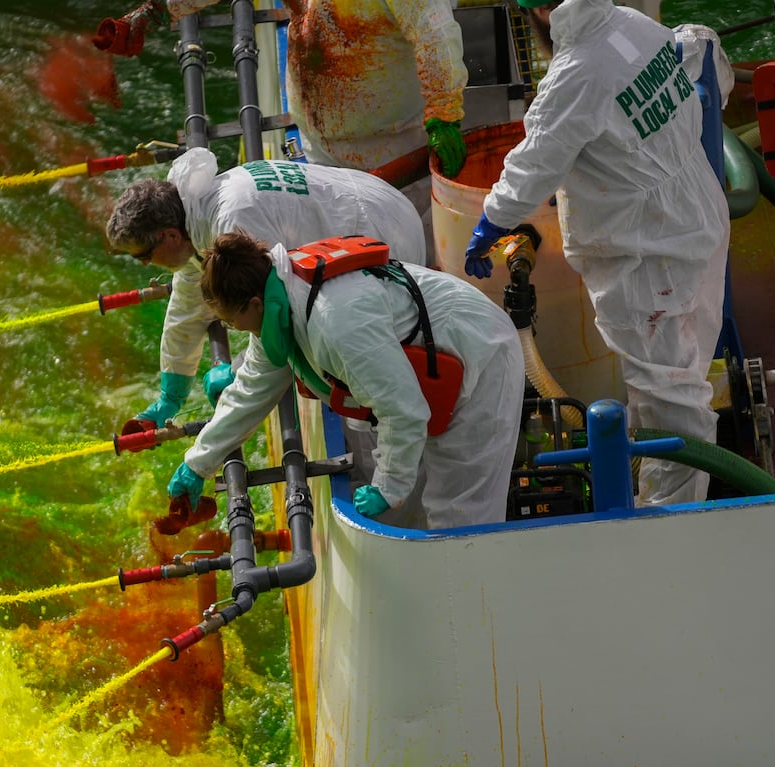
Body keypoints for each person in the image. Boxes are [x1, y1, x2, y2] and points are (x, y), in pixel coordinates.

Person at [463, 0, 730, 505]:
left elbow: (533, 162)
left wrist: (490, 221)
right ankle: (654, 468)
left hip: (648, 254)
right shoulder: (631, 25)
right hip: (695, 213)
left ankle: (671, 522)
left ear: (536, 11)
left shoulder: (574, 73)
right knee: (681, 371)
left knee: (673, 396)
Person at [168, 231, 524, 530]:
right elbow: (251, 391)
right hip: (432, 369)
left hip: (481, 357)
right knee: (420, 503)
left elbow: (404, 411)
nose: (234, 329)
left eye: (231, 321)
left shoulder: (335, 323)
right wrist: (198, 462)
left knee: (461, 516)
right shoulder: (281, 298)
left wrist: (388, 487)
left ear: (255, 304)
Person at [108, 148, 426, 427]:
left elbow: (277, 318)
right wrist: (171, 393)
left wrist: (237, 371)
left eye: (143, 256)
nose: (146, 266)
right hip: (375, 203)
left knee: (353, 376)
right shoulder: (198, 209)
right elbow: (188, 303)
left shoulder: (231, 223)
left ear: (169, 236)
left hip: (385, 238)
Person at [160, 0, 468, 217]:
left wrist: (444, 113)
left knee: (410, 244)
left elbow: (434, 35)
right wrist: (157, 11)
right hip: (319, 145)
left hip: (393, 145)